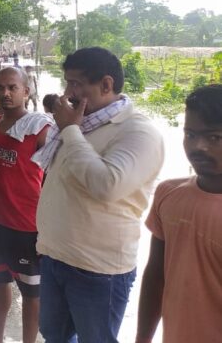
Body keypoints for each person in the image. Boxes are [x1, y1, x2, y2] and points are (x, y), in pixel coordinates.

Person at [34, 47, 164, 343]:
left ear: (106, 85)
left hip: (98, 271)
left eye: (76, 84)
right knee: (54, 335)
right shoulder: (81, 125)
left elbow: (106, 185)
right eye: (67, 83)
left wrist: (70, 132)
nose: (68, 93)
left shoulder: (138, 132)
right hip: (55, 257)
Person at [0, 67, 51, 343]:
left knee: (31, 293)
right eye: (0, 87)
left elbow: (55, 180)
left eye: (12, 87)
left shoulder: (40, 129)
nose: (5, 93)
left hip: (28, 227)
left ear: (26, 91)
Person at [136, 84, 222, 343]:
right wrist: (143, 338)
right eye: (190, 134)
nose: (199, 147)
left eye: (214, 138)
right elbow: (155, 275)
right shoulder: (168, 193)